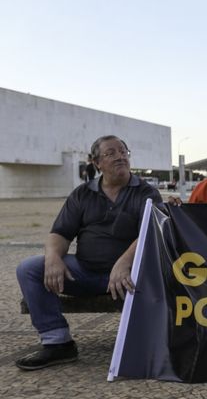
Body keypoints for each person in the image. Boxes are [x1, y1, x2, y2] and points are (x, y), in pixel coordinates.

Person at [15, 136, 162, 371]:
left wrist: (124, 263)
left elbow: (150, 232)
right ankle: (58, 343)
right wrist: (53, 258)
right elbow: (60, 234)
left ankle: (151, 341)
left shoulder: (146, 192)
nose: (120, 156)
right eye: (111, 153)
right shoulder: (82, 194)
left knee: (160, 282)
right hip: (84, 272)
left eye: (123, 151)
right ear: (97, 163)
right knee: (30, 269)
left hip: (130, 277)